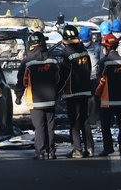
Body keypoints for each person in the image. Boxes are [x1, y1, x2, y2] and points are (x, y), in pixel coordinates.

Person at [15, 32, 61, 160]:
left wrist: (18, 96)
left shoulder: (27, 62)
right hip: (51, 99)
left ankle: (40, 152)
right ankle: (51, 151)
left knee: (39, 127)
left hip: (34, 101)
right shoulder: (52, 59)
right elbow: (58, 78)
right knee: (50, 125)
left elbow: (22, 81)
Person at [95, 34, 121, 158]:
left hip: (107, 102)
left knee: (105, 126)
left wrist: (97, 95)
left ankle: (108, 148)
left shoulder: (103, 63)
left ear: (106, 47)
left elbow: (100, 81)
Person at [59, 25, 94, 158]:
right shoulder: (84, 51)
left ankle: (77, 150)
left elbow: (63, 75)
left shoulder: (66, 53)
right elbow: (89, 69)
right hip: (85, 90)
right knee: (84, 120)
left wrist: (58, 90)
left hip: (72, 92)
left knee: (74, 121)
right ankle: (89, 148)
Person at [80, 26, 102, 126]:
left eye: (87, 40)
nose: (85, 42)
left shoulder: (98, 48)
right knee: (85, 100)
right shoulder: (78, 48)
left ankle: (96, 118)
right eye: (83, 40)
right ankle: (85, 119)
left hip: (94, 77)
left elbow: (102, 62)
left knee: (95, 99)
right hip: (82, 78)